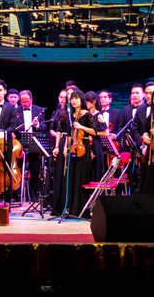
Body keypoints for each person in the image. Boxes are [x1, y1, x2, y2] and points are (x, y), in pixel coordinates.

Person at [58, 88, 95, 217]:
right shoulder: (70, 115)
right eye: (72, 99)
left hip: (83, 147)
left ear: (81, 100)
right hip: (72, 147)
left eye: (76, 98)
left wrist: (81, 127)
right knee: (71, 177)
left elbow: (95, 132)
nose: (73, 101)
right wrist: (65, 147)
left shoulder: (87, 115)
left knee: (80, 177)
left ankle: (80, 209)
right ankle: (69, 208)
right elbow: (69, 134)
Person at [84, 91, 108, 183]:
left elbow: (106, 133)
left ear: (94, 102)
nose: (86, 103)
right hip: (87, 144)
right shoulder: (86, 114)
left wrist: (95, 133)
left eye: (87, 101)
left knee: (96, 168)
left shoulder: (99, 116)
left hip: (95, 144)